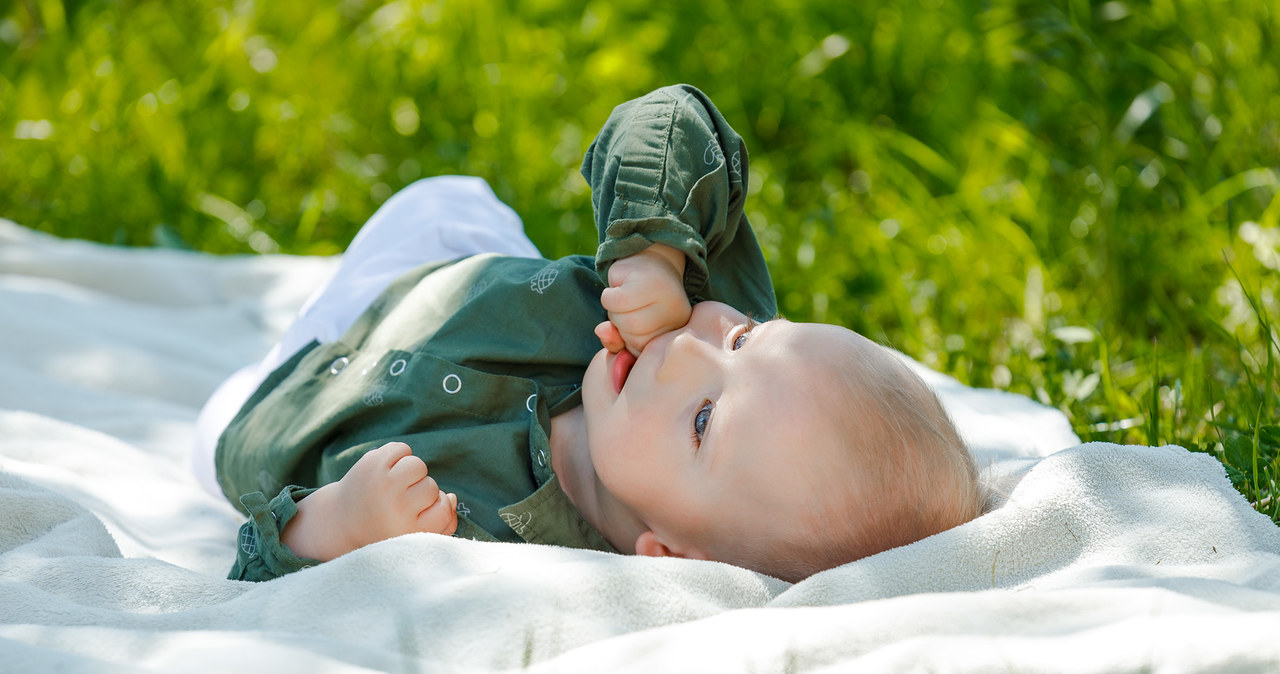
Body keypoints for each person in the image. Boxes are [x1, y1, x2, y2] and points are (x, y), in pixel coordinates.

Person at [196, 84, 985, 584]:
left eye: (705, 421)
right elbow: (670, 116)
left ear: (672, 555)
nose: (690, 348)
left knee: (219, 451)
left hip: (290, 405)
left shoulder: (514, 562)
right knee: (448, 200)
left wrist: (338, 528)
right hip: (424, 279)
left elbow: (260, 588)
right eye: (749, 339)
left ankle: (285, 343)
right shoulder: (697, 300)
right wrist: (655, 249)